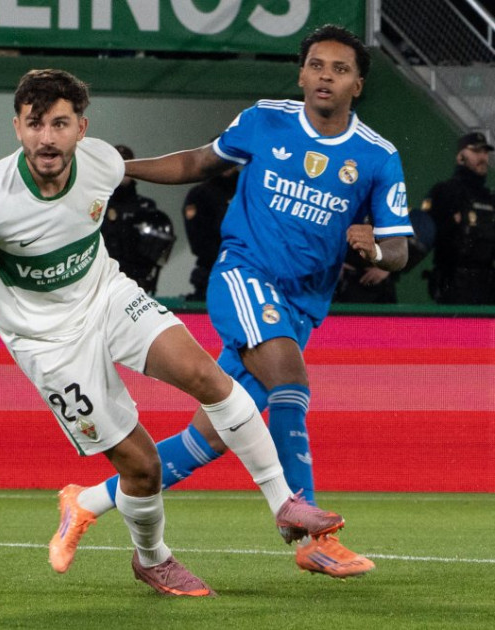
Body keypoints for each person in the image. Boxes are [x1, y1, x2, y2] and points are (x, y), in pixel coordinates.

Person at [0, 68, 346, 597]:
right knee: (142, 469)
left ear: (82, 128)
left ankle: (285, 503)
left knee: (209, 378)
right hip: (48, 343)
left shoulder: (100, 161)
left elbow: (188, 164)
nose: (47, 138)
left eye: (60, 123)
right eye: (35, 124)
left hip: (107, 295)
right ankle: (153, 559)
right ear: (17, 128)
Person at [50, 24, 414, 579]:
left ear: (357, 85)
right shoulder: (266, 118)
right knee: (290, 379)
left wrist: (377, 253)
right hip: (244, 276)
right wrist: (122, 170)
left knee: (216, 434)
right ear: (301, 74)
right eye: (317, 65)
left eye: (340, 70)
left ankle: (87, 502)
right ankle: (311, 533)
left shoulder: (377, 156)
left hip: (302, 305)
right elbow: (199, 162)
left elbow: (399, 250)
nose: (325, 76)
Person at [419, 131, 495, 304]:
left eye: (485, 152)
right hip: (452, 285)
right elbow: (423, 235)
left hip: (488, 289)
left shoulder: (490, 198)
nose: (483, 157)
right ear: (460, 156)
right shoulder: (444, 192)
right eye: (476, 151)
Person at [101, 144, 175, 294]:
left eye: (126, 164)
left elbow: (158, 253)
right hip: (101, 281)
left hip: (136, 282)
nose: (122, 171)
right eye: (117, 164)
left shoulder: (146, 208)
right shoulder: (97, 203)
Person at [181, 163, 238, 301]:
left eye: (230, 160)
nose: (226, 165)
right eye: (222, 161)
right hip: (210, 267)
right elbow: (196, 236)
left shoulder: (248, 190)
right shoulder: (200, 193)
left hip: (246, 267)